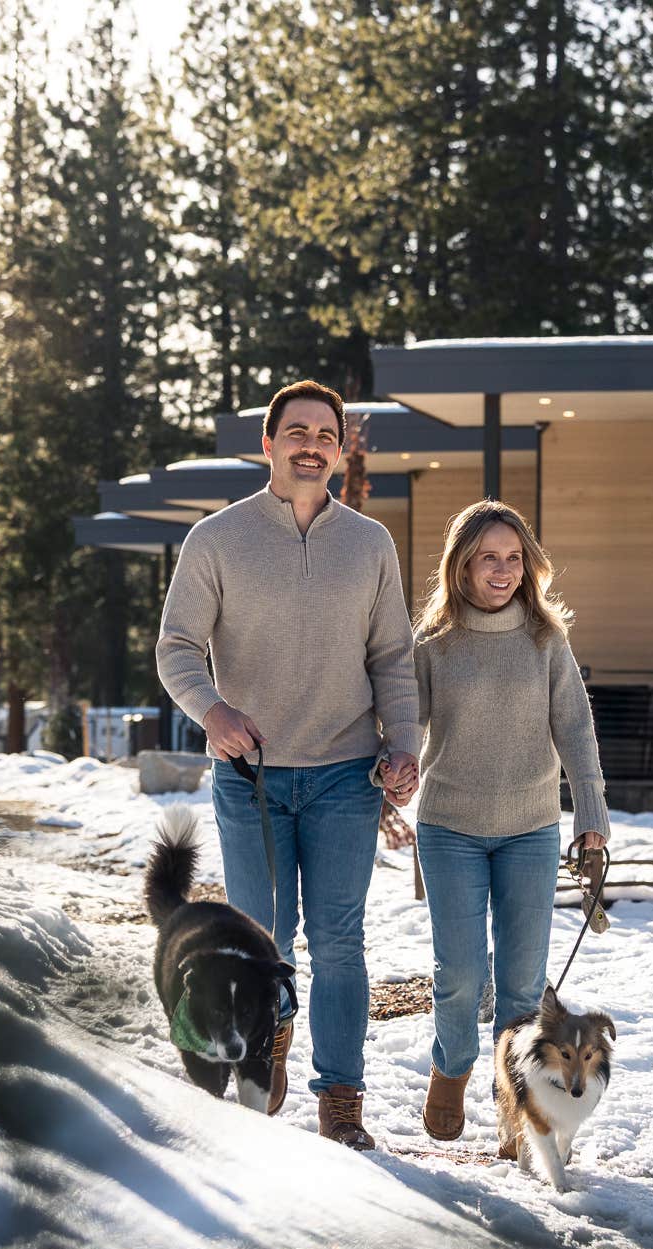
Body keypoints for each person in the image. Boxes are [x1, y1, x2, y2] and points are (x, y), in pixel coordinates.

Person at [155, 379, 420, 1150]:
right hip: (252, 776)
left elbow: (394, 659)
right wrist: (213, 710)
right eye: (296, 431)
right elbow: (176, 648)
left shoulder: (370, 544)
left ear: (342, 450)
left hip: (346, 772)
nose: (312, 444)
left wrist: (403, 745)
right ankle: (266, 1047)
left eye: (326, 434)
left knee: (339, 939)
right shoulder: (217, 538)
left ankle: (340, 1097)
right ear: (267, 444)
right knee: (266, 935)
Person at [407, 499, 610, 1143]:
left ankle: (516, 1104)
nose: (502, 571)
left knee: (525, 987)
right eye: (487, 558)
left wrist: (592, 816)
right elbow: (405, 723)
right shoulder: (434, 642)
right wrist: (390, 766)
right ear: (461, 564)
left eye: (514, 558)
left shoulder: (546, 639)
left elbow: (575, 727)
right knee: (461, 973)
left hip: (529, 827)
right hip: (449, 825)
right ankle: (451, 1070)